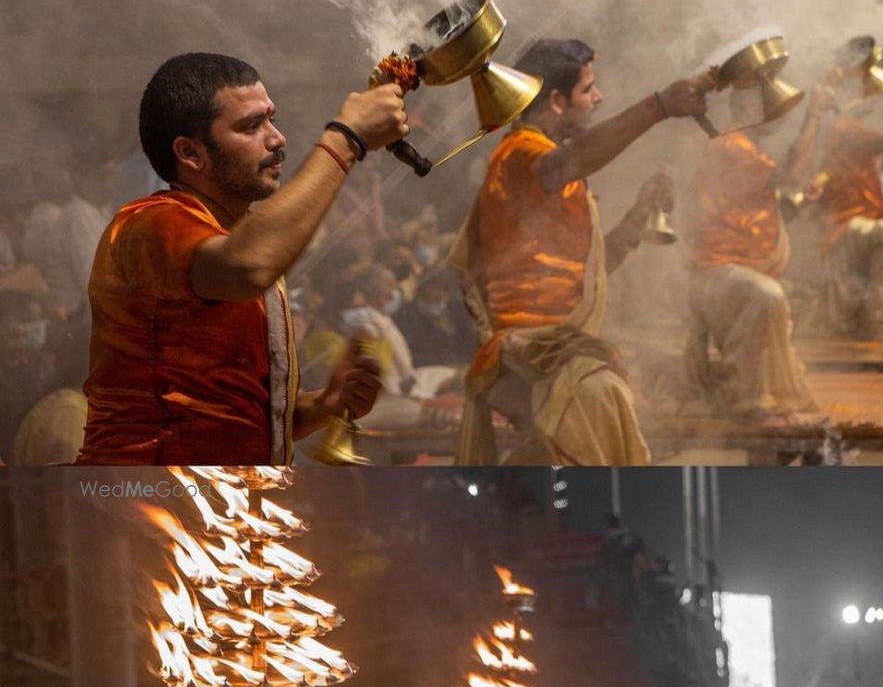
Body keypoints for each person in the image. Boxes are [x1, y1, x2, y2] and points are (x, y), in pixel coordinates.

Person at [76, 52, 409, 464]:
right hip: (146, 503)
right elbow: (245, 265)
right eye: (251, 126)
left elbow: (240, 422)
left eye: (271, 118)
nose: (277, 138)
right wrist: (344, 139)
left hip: (225, 506)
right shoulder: (149, 224)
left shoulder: (243, 238)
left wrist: (326, 404)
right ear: (190, 153)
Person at [451, 37, 709, 464]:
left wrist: (639, 214)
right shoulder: (520, 154)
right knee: (601, 391)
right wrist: (659, 106)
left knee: (637, 384)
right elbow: (571, 162)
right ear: (556, 100)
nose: (599, 97)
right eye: (588, 90)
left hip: (559, 347)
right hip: (523, 348)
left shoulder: (549, 165)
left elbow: (593, 269)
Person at [686, 81, 838, 419]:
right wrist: (813, 113)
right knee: (767, 296)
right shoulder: (731, 145)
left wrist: (797, 207)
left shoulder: (744, 148)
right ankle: (749, 396)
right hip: (715, 274)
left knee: (780, 296)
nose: (779, 117)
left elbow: (749, 220)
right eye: (771, 108)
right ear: (749, 110)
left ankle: (762, 399)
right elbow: (793, 174)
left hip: (737, 270)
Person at [814, 52, 883, 337]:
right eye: (870, 96)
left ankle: (874, 316)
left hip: (857, 222)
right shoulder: (846, 128)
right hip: (844, 227)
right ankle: (879, 316)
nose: (875, 103)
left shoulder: (850, 129)